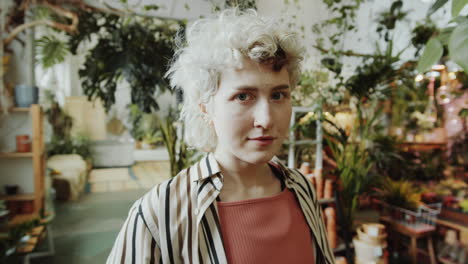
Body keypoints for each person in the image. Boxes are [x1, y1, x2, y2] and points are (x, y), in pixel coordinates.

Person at [107, 8, 335, 264]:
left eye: (278, 95)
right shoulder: (161, 212)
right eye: (243, 96)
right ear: (205, 107)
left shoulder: (301, 189)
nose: (267, 119)